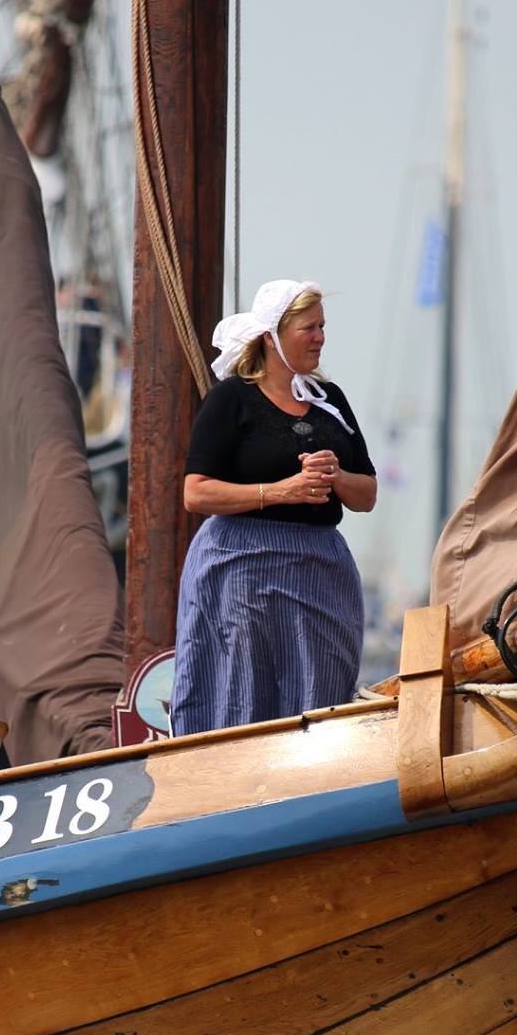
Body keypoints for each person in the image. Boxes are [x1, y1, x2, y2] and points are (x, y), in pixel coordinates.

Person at [170, 280, 378, 735]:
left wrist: (334, 476)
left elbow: (367, 496)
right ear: (271, 336)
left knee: (324, 691)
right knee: (241, 690)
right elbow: (196, 493)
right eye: (309, 327)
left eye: (323, 326)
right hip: (242, 567)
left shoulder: (331, 402)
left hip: (321, 569)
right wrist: (280, 491)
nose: (321, 337)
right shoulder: (232, 398)